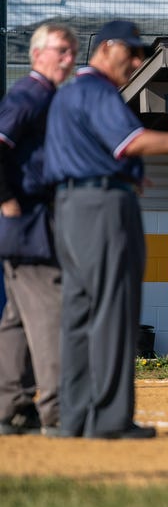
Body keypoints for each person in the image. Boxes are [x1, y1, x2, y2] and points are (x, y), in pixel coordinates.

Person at [45, 20, 168, 439]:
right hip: (102, 207)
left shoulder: (67, 94)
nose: (136, 61)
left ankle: (72, 420)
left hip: (68, 207)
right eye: (130, 52)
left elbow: (80, 152)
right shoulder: (98, 90)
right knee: (112, 311)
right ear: (106, 48)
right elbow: (130, 141)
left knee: (77, 315)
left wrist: (123, 173)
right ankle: (109, 421)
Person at [0, 23, 78, 436]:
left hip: (29, 221)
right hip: (26, 220)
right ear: (37, 54)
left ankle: (11, 407)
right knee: (51, 314)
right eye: (61, 50)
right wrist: (7, 200)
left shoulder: (44, 96)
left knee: (16, 318)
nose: (69, 58)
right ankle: (58, 410)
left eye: (73, 51)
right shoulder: (29, 94)